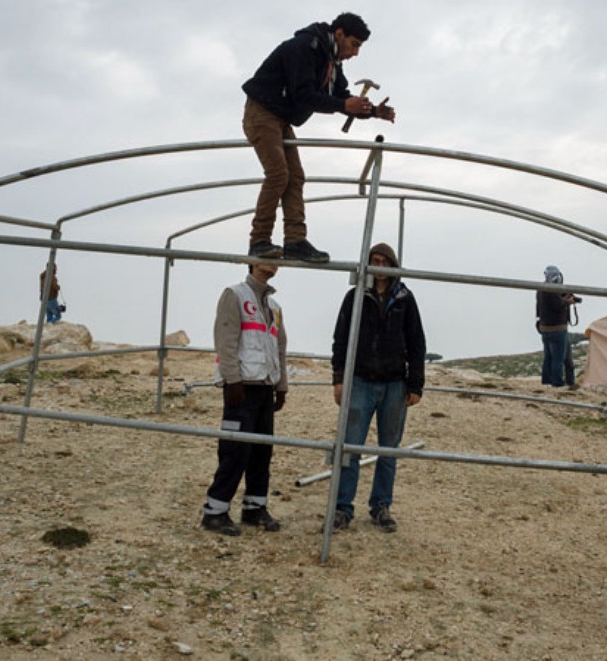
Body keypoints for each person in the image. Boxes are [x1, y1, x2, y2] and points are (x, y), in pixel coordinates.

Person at [241, 13, 396, 263]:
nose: (356, 53)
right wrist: (344, 103)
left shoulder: (331, 61)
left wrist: (373, 111)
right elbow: (304, 95)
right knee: (279, 174)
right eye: (354, 44)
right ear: (339, 34)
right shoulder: (305, 47)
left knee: (296, 177)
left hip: (280, 118)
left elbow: (341, 97)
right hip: (262, 112)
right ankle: (259, 241)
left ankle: (294, 241)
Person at [330, 243, 425, 532]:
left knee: (389, 450)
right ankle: (342, 508)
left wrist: (415, 384)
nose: (379, 265)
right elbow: (341, 339)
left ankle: (381, 506)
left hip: (395, 383)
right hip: (360, 380)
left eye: (384, 261)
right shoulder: (356, 296)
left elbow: (416, 342)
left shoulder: (405, 299)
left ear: (392, 264)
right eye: (375, 260)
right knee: (349, 447)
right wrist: (338, 378)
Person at [201, 262, 288, 536]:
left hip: (264, 387)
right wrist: (232, 379)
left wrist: (281, 385)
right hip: (242, 389)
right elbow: (225, 340)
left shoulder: (274, 306)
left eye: (277, 258)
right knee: (234, 451)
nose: (272, 263)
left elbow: (279, 347)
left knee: (262, 450)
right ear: (252, 261)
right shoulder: (234, 295)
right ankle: (214, 512)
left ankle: (254, 508)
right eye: (266, 257)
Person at [536, 265, 577, 388]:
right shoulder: (552, 290)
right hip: (558, 328)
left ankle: (547, 381)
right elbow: (557, 306)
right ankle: (558, 383)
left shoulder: (540, 289)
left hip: (545, 328)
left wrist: (564, 297)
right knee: (559, 358)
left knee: (548, 357)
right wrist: (567, 302)